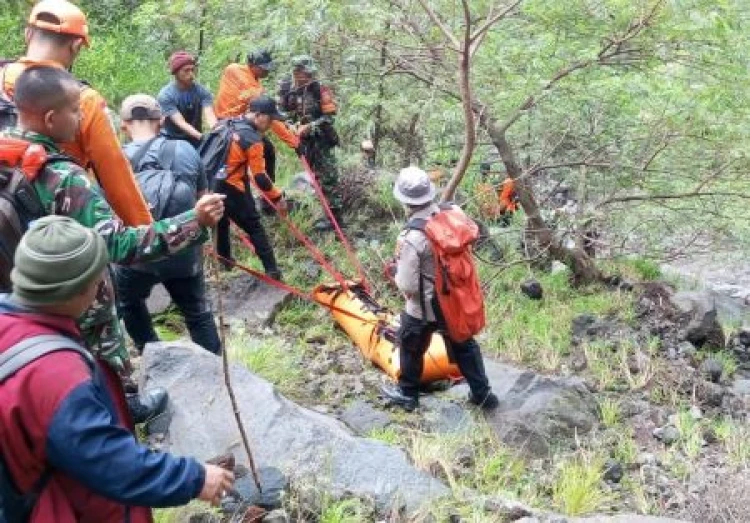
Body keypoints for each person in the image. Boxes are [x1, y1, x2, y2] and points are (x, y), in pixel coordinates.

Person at [3, 66, 225, 420]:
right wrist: (194, 221)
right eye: (75, 110)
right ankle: (124, 412)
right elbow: (119, 245)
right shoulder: (63, 176)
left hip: (18, 301)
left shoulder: (7, 156)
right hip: (74, 308)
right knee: (98, 385)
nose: (80, 118)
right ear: (50, 117)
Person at [0, 216, 234, 523]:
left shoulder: (11, 324)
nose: (102, 284)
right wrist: (194, 478)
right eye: (98, 277)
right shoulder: (56, 376)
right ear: (78, 289)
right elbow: (110, 462)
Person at [0, 0, 153, 227]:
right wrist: (146, 234)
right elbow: (119, 184)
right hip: (56, 240)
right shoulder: (84, 101)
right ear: (76, 46)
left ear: (27, 34)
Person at [381, 167, 498, 412]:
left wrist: (394, 274)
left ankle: (408, 393)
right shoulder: (454, 213)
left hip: (424, 307)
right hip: (455, 300)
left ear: (404, 200)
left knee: (410, 343)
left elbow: (408, 284)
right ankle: (483, 394)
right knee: (464, 346)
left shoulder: (412, 236)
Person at [119, 94, 221, 354]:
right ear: (161, 121)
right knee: (197, 314)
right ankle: (215, 374)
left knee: (129, 303)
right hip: (183, 250)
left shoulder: (115, 159)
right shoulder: (186, 150)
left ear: (124, 125)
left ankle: (152, 354)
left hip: (137, 252)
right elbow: (203, 202)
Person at [215, 96, 289, 280]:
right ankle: (273, 271)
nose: (271, 124)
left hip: (210, 184)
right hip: (232, 186)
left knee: (222, 221)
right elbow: (261, 178)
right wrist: (277, 197)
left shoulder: (224, 123)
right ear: (259, 116)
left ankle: (225, 261)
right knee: (255, 227)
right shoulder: (253, 139)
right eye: (271, 119)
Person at [214, 49, 299, 194]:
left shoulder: (234, 69)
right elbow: (270, 119)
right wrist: (294, 142)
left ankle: (265, 193)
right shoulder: (253, 88)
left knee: (266, 152)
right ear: (253, 66)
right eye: (264, 68)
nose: (267, 72)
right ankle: (270, 196)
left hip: (232, 122)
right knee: (261, 154)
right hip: (233, 126)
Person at [278, 55, 342, 230]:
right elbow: (280, 113)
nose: (308, 77)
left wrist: (311, 126)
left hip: (322, 140)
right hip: (302, 142)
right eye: (304, 73)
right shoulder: (286, 88)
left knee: (328, 177)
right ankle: (324, 214)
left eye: (309, 73)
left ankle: (335, 220)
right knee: (314, 176)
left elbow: (329, 117)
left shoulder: (320, 89)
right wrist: (290, 126)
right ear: (296, 72)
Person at [157, 51, 217, 148]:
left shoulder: (202, 91)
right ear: (176, 73)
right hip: (172, 142)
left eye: (193, 70)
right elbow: (180, 122)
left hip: (195, 140)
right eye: (186, 70)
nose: (191, 74)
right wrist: (202, 137)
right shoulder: (166, 95)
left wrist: (217, 130)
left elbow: (209, 114)